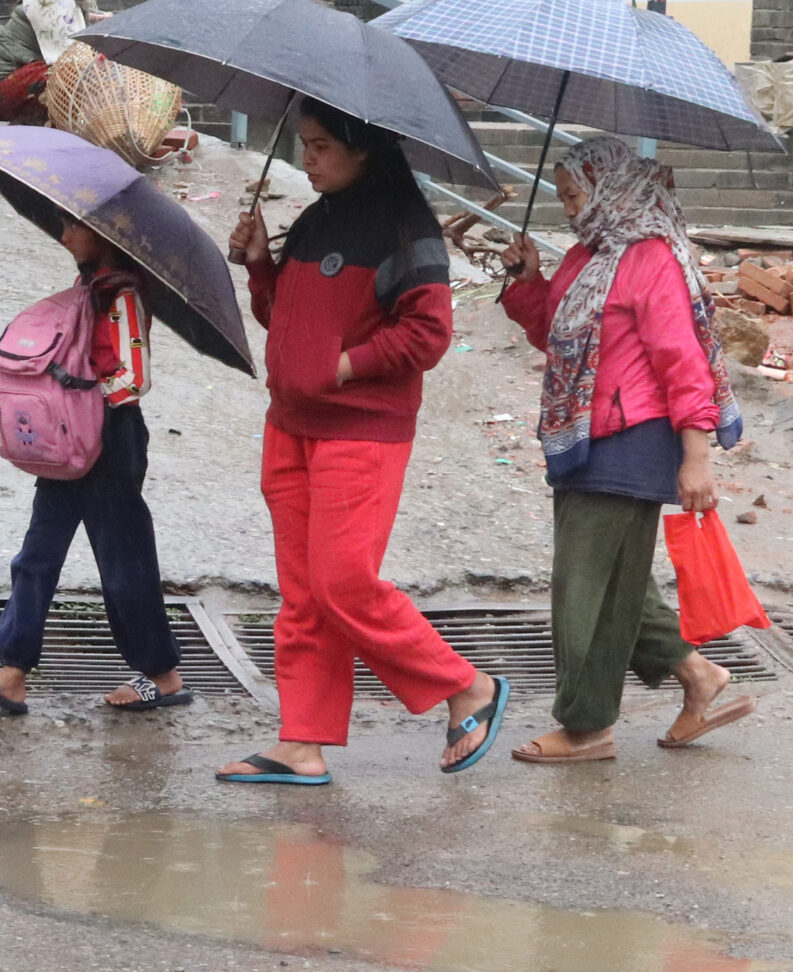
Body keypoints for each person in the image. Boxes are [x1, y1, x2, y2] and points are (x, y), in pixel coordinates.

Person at [217, 99, 506, 785]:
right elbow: (284, 319)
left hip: (362, 430)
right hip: (289, 425)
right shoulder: (317, 219)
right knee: (304, 593)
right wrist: (261, 266)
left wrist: (342, 368)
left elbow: (427, 334)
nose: (307, 158)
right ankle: (302, 741)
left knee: (345, 582)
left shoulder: (407, 229)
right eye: (304, 145)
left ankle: (467, 686)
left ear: (364, 149)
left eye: (320, 146)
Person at [499, 136, 757, 763]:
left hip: (633, 438)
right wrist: (528, 281)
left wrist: (696, 458)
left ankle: (587, 727)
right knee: (618, 582)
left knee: (584, 587)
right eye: (561, 195)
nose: (566, 207)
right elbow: (560, 339)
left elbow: (683, 363)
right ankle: (698, 677)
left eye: (573, 193)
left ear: (611, 189)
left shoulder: (650, 258)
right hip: (584, 436)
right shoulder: (592, 255)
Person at [0, 217, 190, 715]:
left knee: (124, 564)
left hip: (110, 438)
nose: (63, 237)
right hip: (70, 437)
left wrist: (80, 402)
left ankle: (164, 677)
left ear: (104, 234)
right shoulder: (87, 290)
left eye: (72, 228)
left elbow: (134, 379)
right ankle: (12, 673)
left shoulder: (123, 296)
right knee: (37, 556)